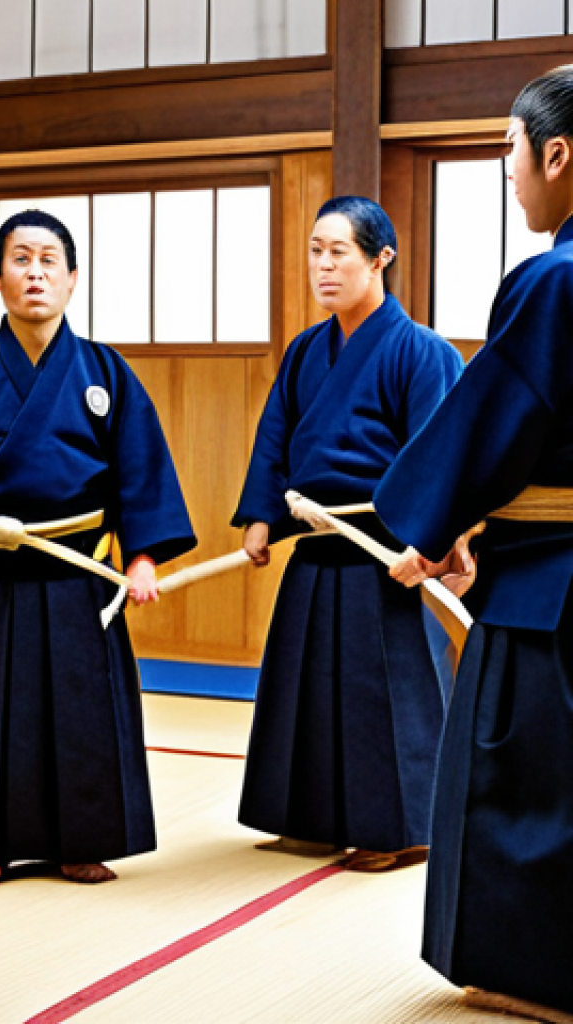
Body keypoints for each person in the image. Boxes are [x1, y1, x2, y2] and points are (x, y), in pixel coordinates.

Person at [0, 209, 195, 885]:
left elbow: (141, 470)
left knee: (82, 712)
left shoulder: (107, 371)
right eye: (20, 259)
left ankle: (81, 840)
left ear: (73, 280)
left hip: (79, 572)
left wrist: (140, 559)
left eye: (50, 260)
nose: (35, 273)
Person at [377, 66, 573, 1024]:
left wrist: (433, 525)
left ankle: (548, 974)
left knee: (535, 781)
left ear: (558, 152)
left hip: (555, 586)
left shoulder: (554, 282)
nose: (510, 170)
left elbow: (500, 423)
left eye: (510, 148)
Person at [232, 197, 463, 872]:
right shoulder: (306, 351)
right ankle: (310, 818)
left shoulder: (422, 352)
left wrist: (430, 540)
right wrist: (260, 516)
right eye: (315, 250)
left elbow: (440, 454)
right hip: (316, 542)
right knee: (304, 687)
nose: (323, 265)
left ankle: (402, 826)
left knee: (385, 693)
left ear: (380, 257)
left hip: (386, 550)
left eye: (339, 251)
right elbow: (276, 436)